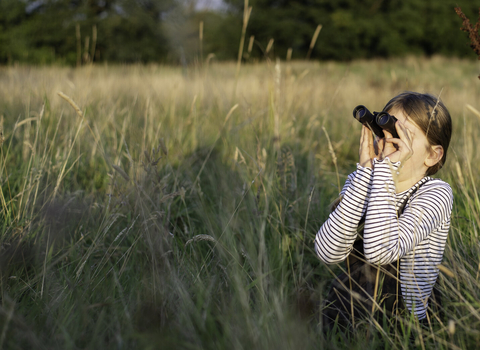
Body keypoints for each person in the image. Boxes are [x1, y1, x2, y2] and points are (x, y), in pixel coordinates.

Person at [315, 92, 453, 331]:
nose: (388, 141)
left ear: (432, 155)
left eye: (401, 135)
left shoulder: (436, 193)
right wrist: (365, 173)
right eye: (383, 130)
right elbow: (327, 252)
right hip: (350, 304)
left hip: (405, 320)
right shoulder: (363, 181)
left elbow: (381, 252)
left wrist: (384, 172)